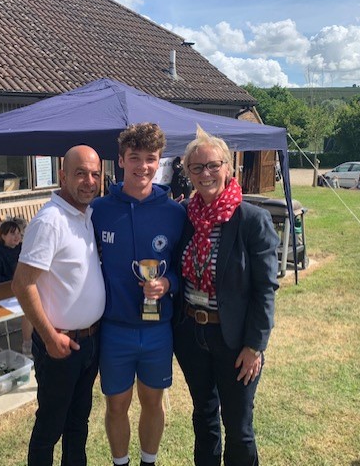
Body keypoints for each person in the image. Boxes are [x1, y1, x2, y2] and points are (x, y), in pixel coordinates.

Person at [172, 125, 279, 466]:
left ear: (228, 168)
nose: (206, 174)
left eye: (213, 165)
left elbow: (266, 288)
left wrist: (254, 346)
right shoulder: (186, 217)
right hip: (192, 334)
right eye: (197, 167)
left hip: (234, 341)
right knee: (203, 419)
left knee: (238, 427)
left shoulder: (252, 220)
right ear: (188, 173)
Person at [91, 123, 186, 466]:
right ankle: (121, 464)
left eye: (150, 158)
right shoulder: (100, 210)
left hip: (157, 328)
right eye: (135, 158)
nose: (142, 166)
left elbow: (181, 266)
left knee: (152, 401)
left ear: (159, 160)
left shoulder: (175, 212)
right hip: (115, 328)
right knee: (116, 404)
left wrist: (168, 284)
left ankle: (149, 461)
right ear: (120, 160)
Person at [11, 144, 105, 466]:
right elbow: (22, 284)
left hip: (89, 342)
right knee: (50, 427)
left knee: (78, 425)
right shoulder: (50, 221)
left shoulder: (85, 215)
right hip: (60, 346)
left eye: (95, 174)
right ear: (62, 175)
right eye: (80, 173)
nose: (89, 181)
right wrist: (50, 338)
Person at [0, 220, 33, 358]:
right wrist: (13, 282)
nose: (17, 237)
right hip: (6, 293)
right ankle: (27, 345)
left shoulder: (23, 248)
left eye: (18, 233)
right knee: (29, 308)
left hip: (22, 288)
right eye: (12, 234)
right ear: (3, 236)